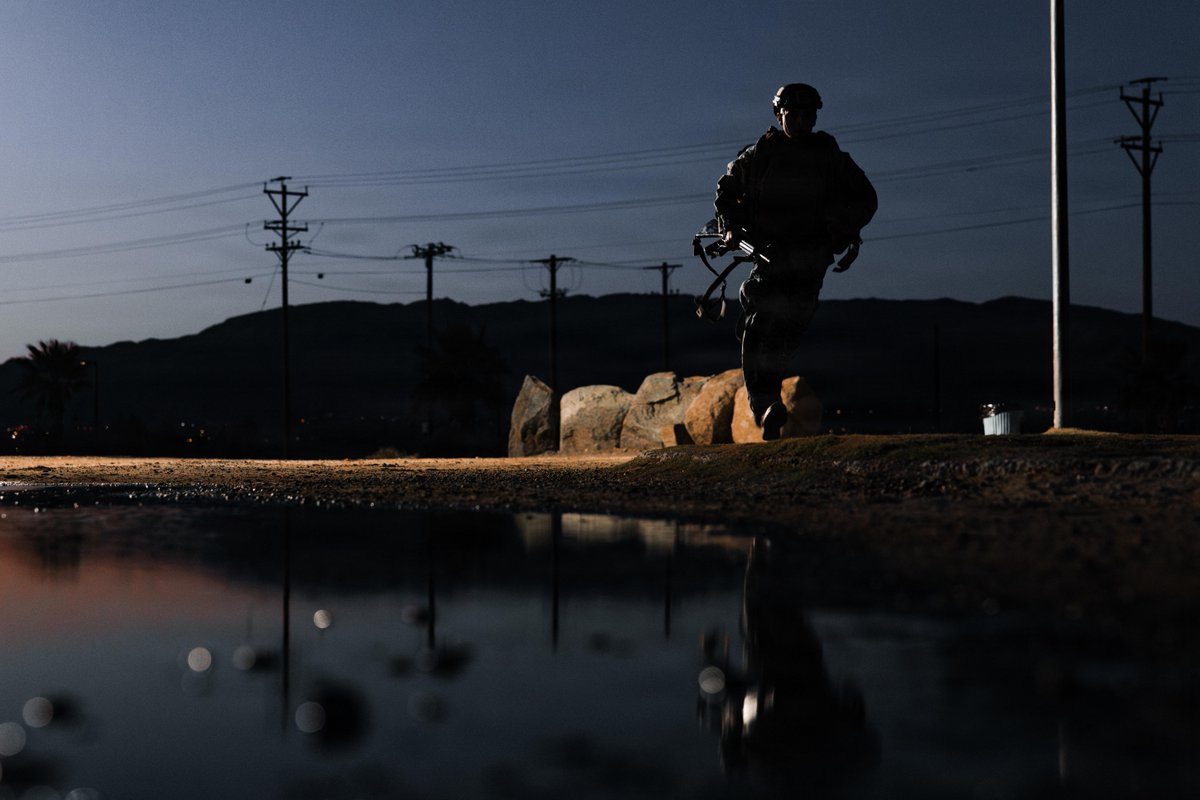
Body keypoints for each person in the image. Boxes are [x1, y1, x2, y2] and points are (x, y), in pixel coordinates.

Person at [714, 83, 877, 440]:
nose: (802, 121)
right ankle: (766, 402)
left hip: (811, 256)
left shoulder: (828, 155)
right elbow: (726, 193)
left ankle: (769, 397)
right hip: (770, 253)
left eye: (809, 115)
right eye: (794, 114)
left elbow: (865, 198)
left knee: (789, 328)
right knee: (760, 323)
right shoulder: (758, 155)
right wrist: (730, 227)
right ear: (779, 114)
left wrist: (839, 229)